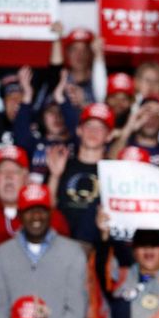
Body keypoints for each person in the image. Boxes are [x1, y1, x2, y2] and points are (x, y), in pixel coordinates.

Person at [0, 184, 87, 318]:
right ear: (19, 214)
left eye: (41, 210)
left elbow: (76, 310)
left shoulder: (72, 252)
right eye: (29, 210)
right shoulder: (2, 253)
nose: (36, 216)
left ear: (51, 213)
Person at [47, 102, 113, 244]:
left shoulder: (113, 172)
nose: (93, 132)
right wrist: (55, 175)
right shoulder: (62, 164)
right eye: (89, 126)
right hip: (60, 245)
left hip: (97, 249)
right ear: (79, 130)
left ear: (109, 136)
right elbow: (47, 208)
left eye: (100, 128)